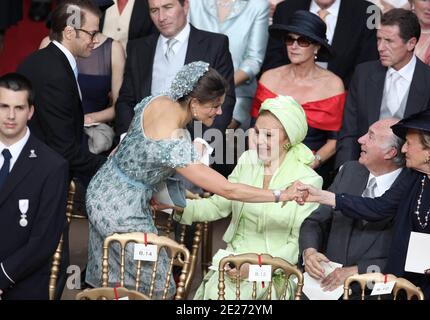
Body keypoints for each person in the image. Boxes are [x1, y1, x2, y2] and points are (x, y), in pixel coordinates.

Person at [85, 62, 305, 298]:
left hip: (102, 188)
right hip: (121, 208)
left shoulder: (158, 101)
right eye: (215, 106)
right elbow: (227, 190)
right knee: (157, 286)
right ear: (194, 103)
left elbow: (130, 149)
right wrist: (281, 194)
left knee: (112, 277)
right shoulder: (175, 143)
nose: (219, 113)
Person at [171, 95, 322, 300]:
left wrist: (254, 268)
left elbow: (296, 244)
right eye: (257, 132)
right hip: (231, 264)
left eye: (268, 136)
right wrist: (176, 205)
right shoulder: (247, 160)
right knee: (217, 293)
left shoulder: (308, 180)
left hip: (274, 271)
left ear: (288, 139)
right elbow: (218, 206)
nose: (259, 141)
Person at [298, 108, 430, 299]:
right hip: (409, 282)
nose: (403, 150)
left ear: (429, 152)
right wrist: (325, 197)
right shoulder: (414, 177)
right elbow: (379, 207)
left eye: (409, 144)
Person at [300, 118, 406, 293]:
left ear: (390, 152)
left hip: (375, 290)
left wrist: (358, 271)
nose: (360, 139)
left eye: (370, 136)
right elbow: (315, 221)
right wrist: (309, 252)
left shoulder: (411, 187)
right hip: (324, 286)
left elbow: (407, 254)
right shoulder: (349, 171)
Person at [335, 8, 430, 169]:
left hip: (412, 174)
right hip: (363, 169)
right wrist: (345, 171)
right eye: (379, 39)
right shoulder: (363, 74)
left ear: (411, 43)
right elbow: (349, 132)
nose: (380, 47)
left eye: (389, 41)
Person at [115, 0, 235, 140]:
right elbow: (126, 100)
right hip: (144, 141)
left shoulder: (215, 45)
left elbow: (225, 100)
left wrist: (203, 143)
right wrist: (127, 139)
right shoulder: (138, 49)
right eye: (154, 10)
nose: (161, 17)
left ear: (185, 6)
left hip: (195, 140)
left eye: (168, 7)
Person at [251, 10, 345, 187]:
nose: (294, 46)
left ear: (316, 46)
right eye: (289, 39)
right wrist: (261, 163)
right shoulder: (269, 78)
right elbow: (253, 129)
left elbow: (334, 141)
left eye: (302, 41)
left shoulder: (333, 84)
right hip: (265, 161)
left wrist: (308, 165)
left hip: (310, 168)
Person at [17, 0, 107, 182]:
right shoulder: (56, 76)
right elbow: (64, 149)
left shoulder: (38, 59)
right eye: (92, 33)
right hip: (40, 180)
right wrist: (111, 166)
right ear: (69, 32)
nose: (96, 40)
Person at [0, 73, 69, 300]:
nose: (10, 116)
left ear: (30, 112)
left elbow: (44, 239)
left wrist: (2, 277)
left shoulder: (51, 166)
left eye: (19, 108)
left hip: (20, 280)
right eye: (4, 106)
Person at [189, 0, 269, 131]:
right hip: (194, 92)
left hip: (238, 94)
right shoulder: (194, 3)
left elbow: (254, 60)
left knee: (220, 134)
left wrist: (219, 86)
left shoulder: (257, 6)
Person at [262, 0, 379, 88]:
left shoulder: (369, 12)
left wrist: (333, 91)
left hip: (344, 97)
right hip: (287, 95)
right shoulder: (285, 8)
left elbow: (367, 67)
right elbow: (274, 60)